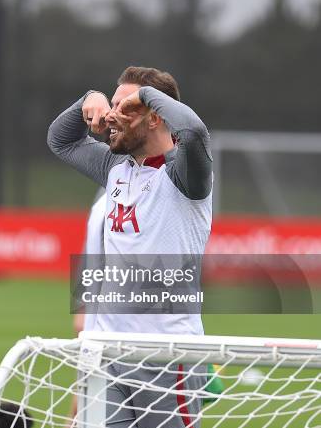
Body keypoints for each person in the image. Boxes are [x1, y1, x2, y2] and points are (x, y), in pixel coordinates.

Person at [48, 66, 212, 427]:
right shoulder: (114, 166)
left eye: (125, 108)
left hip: (169, 356)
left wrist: (147, 96)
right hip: (107, 353)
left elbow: (194, 131)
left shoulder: (185, 175)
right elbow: (61, 140)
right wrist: (87, 100)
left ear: (154, 117)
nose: (110, 116)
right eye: (113, 104)